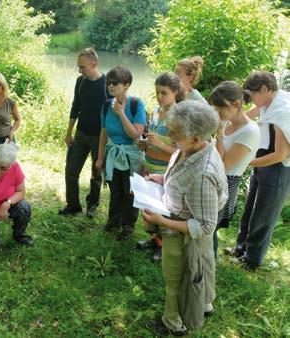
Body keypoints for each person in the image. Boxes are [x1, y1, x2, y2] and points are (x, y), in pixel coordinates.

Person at [142, 100, 228, 335]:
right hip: (186, 223)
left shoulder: (202, 174)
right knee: (201, 270)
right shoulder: (192, 147)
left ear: (196, 137)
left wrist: (161, 222)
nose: (169, 134)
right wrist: (162, 180)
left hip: (184, 234)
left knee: (177, 280)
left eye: (175, 132)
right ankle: (204, 304)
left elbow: (205, 225)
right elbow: (181, 176)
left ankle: (174, 323)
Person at [225, 72, 290, 270]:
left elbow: (280, 154)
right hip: (262, 160)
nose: (251, 100)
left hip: (278, 167)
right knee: (250, 206)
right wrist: (233, 119)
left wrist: (248, 161)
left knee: (264, 213)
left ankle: (252, 259)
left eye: (252, 94)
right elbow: (253, 112)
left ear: (264, 89)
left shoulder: (282, 112)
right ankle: (240, 247)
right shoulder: (268, 101)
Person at [136, 72, 185, 261]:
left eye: (164, 93)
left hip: (165, 171)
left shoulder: (179, 116)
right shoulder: (156, 110)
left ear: (175, 92)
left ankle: (162, 247)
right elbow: (151, 137)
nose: (159, 97)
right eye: (157, 92)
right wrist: (145, 144)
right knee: (148, 209)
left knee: (163, 210)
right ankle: (154, 239)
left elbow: (182, 151)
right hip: (149, 166)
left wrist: (159, 144)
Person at [209, 81, 260, 259]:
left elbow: (224, 166)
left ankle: (208, 269)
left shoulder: (250, 132)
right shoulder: (225, 123)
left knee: (209, 229)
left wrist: (219, 137)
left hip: (226, 183)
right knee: (204, 227)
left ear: (237, 104)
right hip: (212, 176)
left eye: (220, 108)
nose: (217, 113)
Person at [59, 48, 110, 218]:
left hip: (99, 137)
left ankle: (92, 206)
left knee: (96, 174)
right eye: (78, 67)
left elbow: (111, 113)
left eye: (82, 67)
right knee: (71, 170)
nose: (79, 70)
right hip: (81, 134)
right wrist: (69, 133)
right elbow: (75, 106)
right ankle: (73, 205)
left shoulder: (107, 84)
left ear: (93, 64)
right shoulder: (80, 81)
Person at [96, 65, 146, 240]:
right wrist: (100, 157)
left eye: (115, 83)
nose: (110, 86)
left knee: (130, 191)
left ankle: (128, 226)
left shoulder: (136, 104)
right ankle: (113, 221)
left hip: (132, 156)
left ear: (126, 85)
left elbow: (135, 134)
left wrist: (121, 113)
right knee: (115, 189)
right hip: (113, 154)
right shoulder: (105, 105)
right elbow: (103, 132)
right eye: (109, 82)